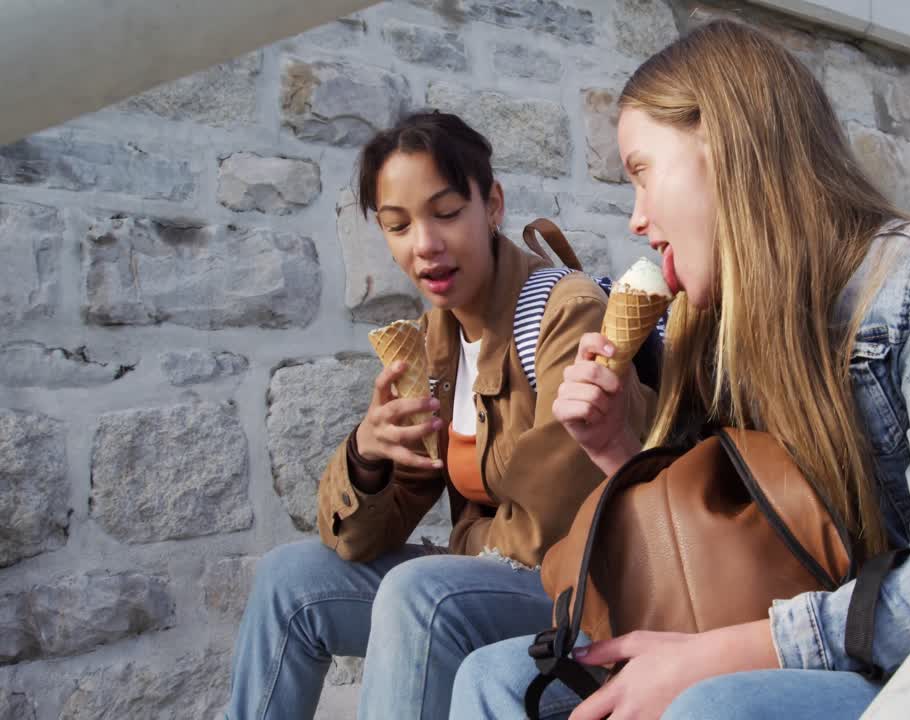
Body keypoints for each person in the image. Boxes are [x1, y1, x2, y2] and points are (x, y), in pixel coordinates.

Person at [449, 20, 910, 720]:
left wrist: (711, 656)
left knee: (710, 706)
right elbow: (712, 546)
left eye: (641, 172)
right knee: (492, 678)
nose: (636, 219)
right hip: (755, 639)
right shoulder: (708, 321)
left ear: (724, 147)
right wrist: (615, 450)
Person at [223, 111, 653, 719]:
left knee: (419, 591)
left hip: (578, 591)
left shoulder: (567, 310)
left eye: (446, 213)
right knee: (288, 580)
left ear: (492, 204)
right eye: (397, 226)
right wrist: (367, 458)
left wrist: (463, 550)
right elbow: (364, 538)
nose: (424, 245)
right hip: (484, 576)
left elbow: (560, 509)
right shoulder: (433, 345)